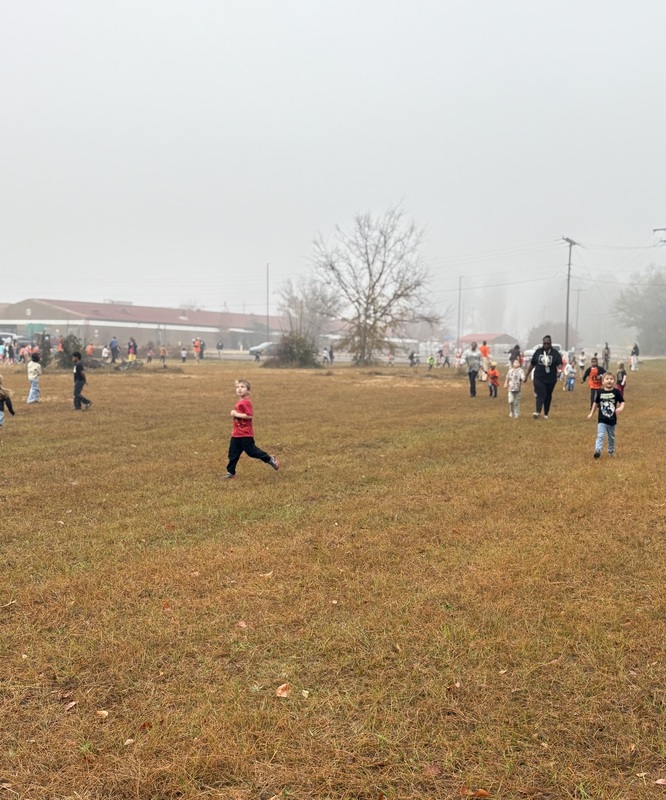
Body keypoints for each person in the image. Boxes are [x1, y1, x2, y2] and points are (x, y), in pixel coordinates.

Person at [223, 378, 280, 479]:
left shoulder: (246, 402)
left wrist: (236, 414)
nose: (239, 389)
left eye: (242, 387)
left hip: (245, 434)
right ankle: (230, 472)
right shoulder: (239, 402)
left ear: (248, 390)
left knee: (252, 452)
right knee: (232, 453)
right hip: (236, 434)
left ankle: (270, 459)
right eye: (237, 387)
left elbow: (249, 416)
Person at [524, 335, 563, 419]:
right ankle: (537, 412)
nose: (546, 345)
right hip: (539, 377)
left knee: (548, 395)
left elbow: (559, 363)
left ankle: (546, 413)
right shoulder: (538, 352)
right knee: (541, 393)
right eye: (544, 343)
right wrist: (526, 375)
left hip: (551, 378)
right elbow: (532, 364)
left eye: (547, 343)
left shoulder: (555, 353)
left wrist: (560, 371)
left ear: (550, 343)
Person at [587, 371, 625, 459]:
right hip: (602, 419)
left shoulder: (616, 392)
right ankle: (598, 450)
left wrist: (620, 408)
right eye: (607, 379)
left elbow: (622, 401)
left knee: (611, 436)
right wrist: (591, 413)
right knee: (600, 435)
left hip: (612, 420)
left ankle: (611, 451)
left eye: (611, 379)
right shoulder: (600, 392)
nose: (609, 380)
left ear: (614, 381)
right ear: (603, 381)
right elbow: (595, 403)